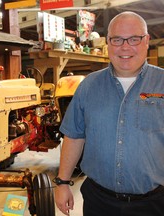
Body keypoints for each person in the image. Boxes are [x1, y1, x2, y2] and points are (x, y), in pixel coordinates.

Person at [54, 11, 164, 216]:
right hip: (99, 202)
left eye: (134, 39)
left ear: (147, 40)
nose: (125, 46)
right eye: (117, 39)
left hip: (154, 204)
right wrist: (62, 183)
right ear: (108, 43)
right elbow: (74, 136)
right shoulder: (89, 86)